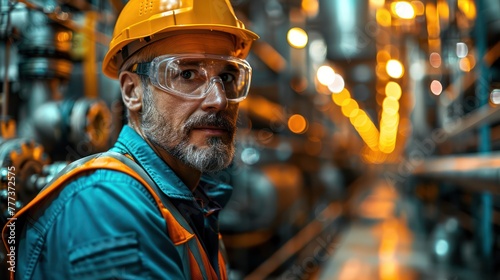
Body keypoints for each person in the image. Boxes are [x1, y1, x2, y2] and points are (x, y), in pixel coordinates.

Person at [2, 0, 258, 279]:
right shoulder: (107, 203)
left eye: (229, 76)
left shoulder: (194, 204)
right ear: (133, 91)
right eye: (187, 74)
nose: (219, 100)